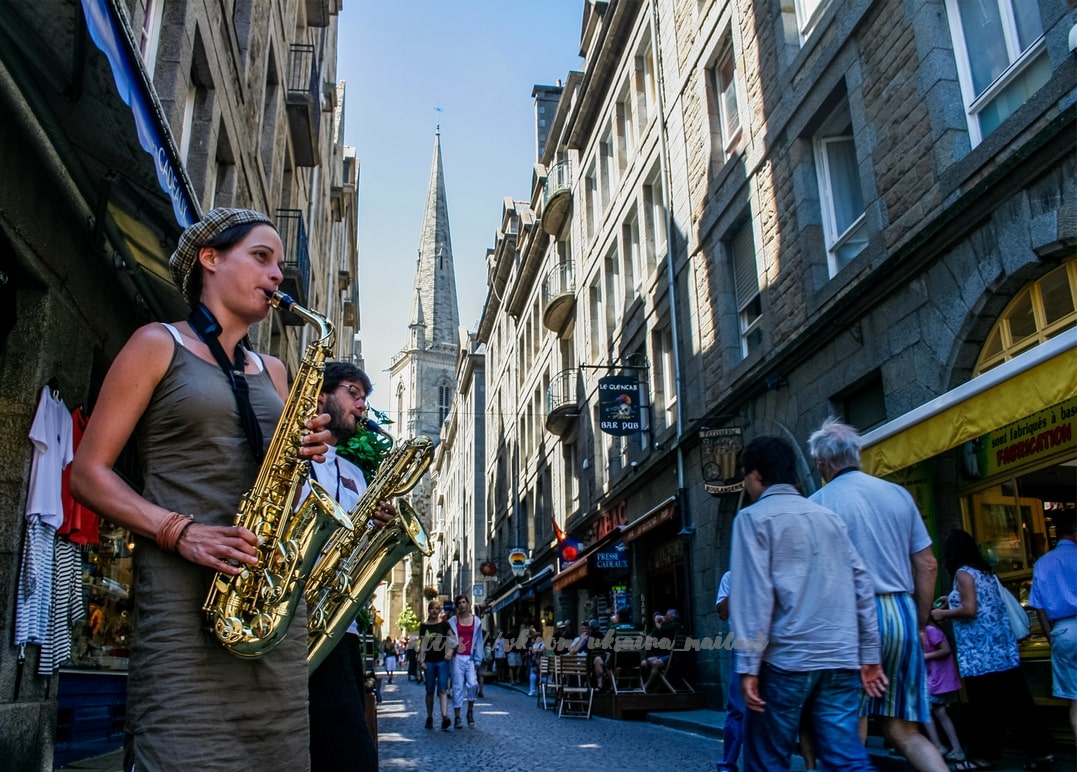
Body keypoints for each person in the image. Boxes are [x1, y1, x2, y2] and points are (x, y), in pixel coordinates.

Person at [69, 208, 335, 770]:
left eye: (279, 265)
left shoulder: (277, 371)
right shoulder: (156, 343)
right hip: (182, 609)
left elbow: (278, 489)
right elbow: (87, 472)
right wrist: (178, 530)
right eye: (261, 257)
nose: (276, 276)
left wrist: (306, 456)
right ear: (210, 259)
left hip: (268, 612)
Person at [729, 435, 885, 771]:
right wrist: (870, 654)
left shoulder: (752, 519)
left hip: (787, 658)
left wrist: (748, 665)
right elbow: (862, 585)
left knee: (767, 758)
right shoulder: (828, 517)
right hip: (840, 657)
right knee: (846, 757)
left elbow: (752, 599)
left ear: (756, 475)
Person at [808, 418, 946, 772]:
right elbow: (927, 564)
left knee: (850, 725)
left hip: (848, 619)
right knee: (904, 729)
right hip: (901, 612)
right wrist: (919, 620)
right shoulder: (898, 494)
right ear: (859, 454)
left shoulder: (816, 505)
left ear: (822, 464)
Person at [304, 362, 395, 772]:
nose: (362, 406)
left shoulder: (356, 472)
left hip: (339, 623)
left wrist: (378, 525)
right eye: (353, 393)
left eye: (365, 398)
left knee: (345, 747)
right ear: (322, 394)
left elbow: (360, 548)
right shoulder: (288, 452)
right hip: (292, 613)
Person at [932, 529, 1056, 769]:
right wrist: (951, 598)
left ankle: (983, 757)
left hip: (981, 655)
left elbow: (970, 610)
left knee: (984, 711)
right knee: (1019, 707)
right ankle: (1042, 753)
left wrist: (942, 613)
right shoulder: (984, 572)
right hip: (1003, 651)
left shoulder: (962, 574)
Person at [1028, 509, 1077, 741]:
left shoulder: (1041, 564)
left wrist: (1052, 636)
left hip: (1063, 631)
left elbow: (1038, 606)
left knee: (1076, 701)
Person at [920, 621, 965, 762]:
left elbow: (946, 649)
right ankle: (954, 749)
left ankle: (943, 747)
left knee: (930, 712)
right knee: (938, 712)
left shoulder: (930, 630)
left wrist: (925, 656)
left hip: (938, 677)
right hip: (932, 677)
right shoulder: (922, 630)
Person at [447, 594, 484, 728]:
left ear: (468, 604)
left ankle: (470, 711)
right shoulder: (453, 621)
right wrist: (453, 644)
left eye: (464, 602)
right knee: (457, 687)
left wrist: (479, 658)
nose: (462, 605)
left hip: (470, 657)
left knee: (473, 684)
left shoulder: (476, 621)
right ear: (457, 606)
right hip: (457, 657)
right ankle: (457, 717)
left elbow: (479, 641)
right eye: (460, 603)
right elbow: (447, 637)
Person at [418, 599, 453, 731]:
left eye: (437, 608)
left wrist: (450, 651)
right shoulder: (424, 626)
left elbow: (454, 638)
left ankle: (445, 716)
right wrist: (421, 661)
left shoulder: (444, 625)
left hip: (442, 661)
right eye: (432, 608)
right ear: (429, 610)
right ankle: (430, 716)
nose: (434, 611)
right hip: (429, 662)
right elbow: (422, 645)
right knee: (430, 691)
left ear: (439, 611)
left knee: (443, 689)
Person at [641, 609, 682, 692]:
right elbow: (652, 636)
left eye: (667, 615)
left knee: (655, 663)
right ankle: (651, 687)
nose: (665, 616)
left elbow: (662, 629)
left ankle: (646, 686)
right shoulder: (667, 625)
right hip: (664, 655)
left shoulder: (675, 625)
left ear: (672, 617)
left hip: (673, 657)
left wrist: (657, 622)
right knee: (643, 663)